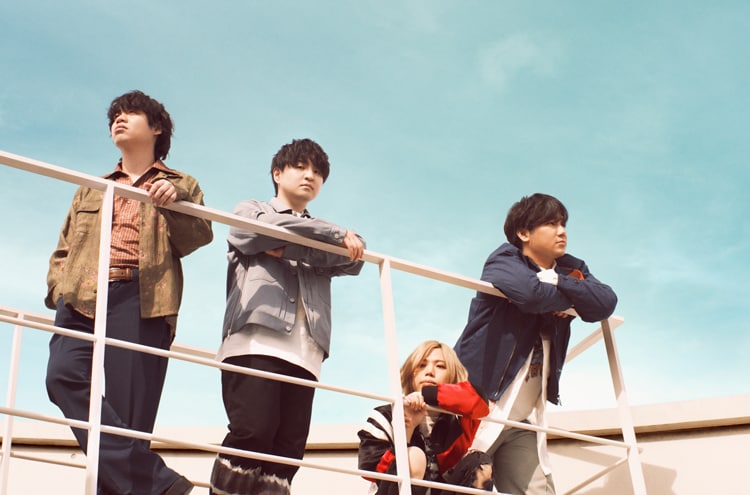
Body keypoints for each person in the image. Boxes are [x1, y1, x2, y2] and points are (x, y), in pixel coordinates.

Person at [44, 90, 213, 494]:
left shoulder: (181, 184)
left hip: (142, 299)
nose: (118, 119)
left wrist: (176, 202)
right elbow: (63, 249)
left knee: (129, 417)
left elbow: (198, 236)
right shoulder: (92, 188)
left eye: (130, 112)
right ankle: (159, 483)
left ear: (157, 128)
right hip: (81, 297)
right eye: (114, 115)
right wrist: (59, 290)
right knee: (61, 375)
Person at [209, 138, 366, 495]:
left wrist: (288, 246)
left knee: (288, 451)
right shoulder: (250, 209)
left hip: (306, 350)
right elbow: (253, 232)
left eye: (318, 172)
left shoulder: (330, 231)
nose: (310, 175)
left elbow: (355, 258)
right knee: (253, 432)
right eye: (300, 166)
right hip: (255, 339)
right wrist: (331, 238)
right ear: (277, 173)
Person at [453, 193, 618, 495]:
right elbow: (530, 296)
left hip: (524, 419)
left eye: (563, 224)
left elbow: (605, 302)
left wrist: (557, 282)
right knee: (456, 485)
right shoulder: (503, 260)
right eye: (551, 224)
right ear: (523, 233)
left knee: (538, 491)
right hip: (478, 404)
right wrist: (572, 297)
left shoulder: (571, 267)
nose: (562, 231)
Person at [358, 340, 493, 495]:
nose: (429, 371)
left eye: (440, 366)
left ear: (452, 376)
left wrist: (425, 394)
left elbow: (480, 401)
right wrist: (406, 429)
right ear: (411, 372)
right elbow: (370, 471)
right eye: (422, 365)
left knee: (480, 463)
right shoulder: (385, 416)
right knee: (414, 457)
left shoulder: (458, 420)